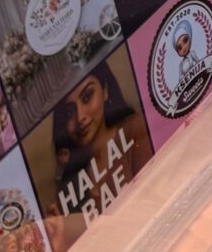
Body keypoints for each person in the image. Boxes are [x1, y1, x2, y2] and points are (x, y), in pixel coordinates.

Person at [52, 63, 151, 216]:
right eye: (69, 113)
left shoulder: (134, 129)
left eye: (87, 97)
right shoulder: (70, 183)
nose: (80, 117)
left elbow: (153, 200)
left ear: (105, 90)